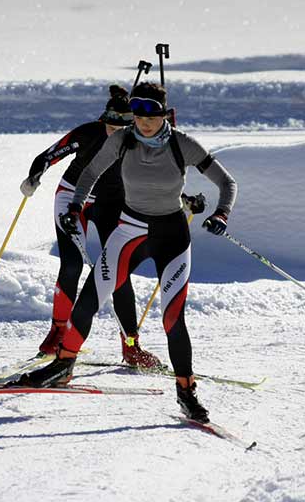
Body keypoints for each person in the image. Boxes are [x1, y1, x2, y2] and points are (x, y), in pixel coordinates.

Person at [15, 82, 236, 424]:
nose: (144, 121)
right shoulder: (121, 139)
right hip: (129, 230)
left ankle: (186, 392)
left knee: (172, 318)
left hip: (171, 237)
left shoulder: (183, 144)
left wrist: (221, 214)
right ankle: (63, 366)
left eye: (152, 113)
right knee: (89, 299)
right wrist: (75, 206)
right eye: (138, 113)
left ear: (164, 113)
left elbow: (227, 183)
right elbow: (89, 173)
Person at [19, 84, 159, 370]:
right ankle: (58, 334)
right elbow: (47, 156)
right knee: (71, 265)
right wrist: (34, 177)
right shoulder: (88, 133)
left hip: (111, 204)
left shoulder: (141, 141)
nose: (112, 131)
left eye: (119, 127)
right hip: (72, 197)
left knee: (118, 274)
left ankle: (131, 346)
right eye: (108, 125)